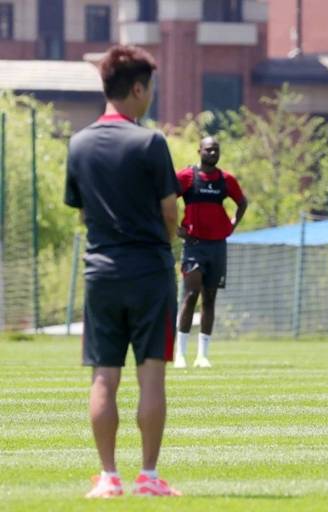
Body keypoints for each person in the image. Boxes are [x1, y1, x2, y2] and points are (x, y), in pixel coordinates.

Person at [65, 45, 181, 497]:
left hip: (101, 273)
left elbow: (82, 212)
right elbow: (169, 211)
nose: (151, 96)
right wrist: (165, 243)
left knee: (104, 375)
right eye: (150, 88)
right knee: (151, 375)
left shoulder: (78, 143)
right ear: (137, 88)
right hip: (150, 271)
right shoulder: (150, 142)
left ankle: (109, 476)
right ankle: (148, 476)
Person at [173, 136, 247, 368]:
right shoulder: (186, 176)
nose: (212, 153)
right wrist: (175, 228)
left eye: (216, 150)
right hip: (194, 245)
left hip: (217, 246)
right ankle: (180, 354)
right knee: (190, 295)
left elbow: (242, 202)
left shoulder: (226, 180)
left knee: (210, 298)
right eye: (208, 150)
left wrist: (232, 225)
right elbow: (163, 200)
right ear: (200, 151)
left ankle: (202, 356)